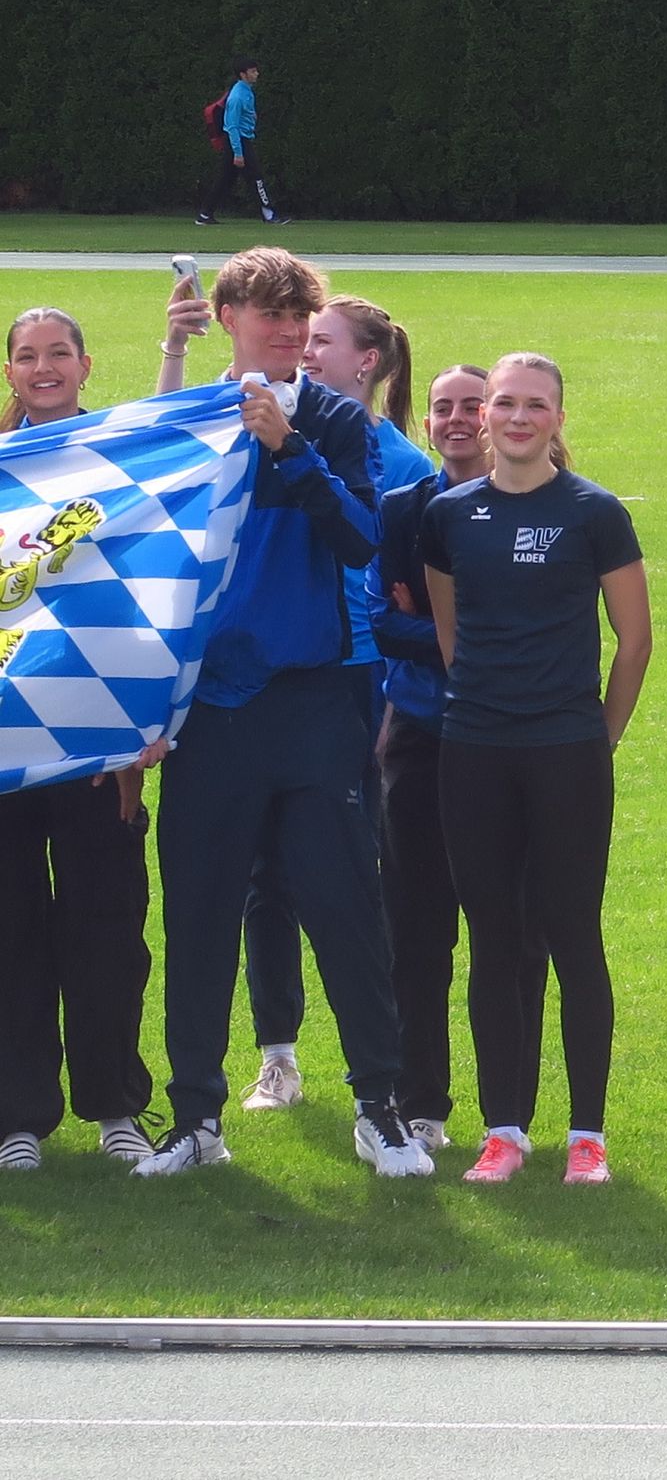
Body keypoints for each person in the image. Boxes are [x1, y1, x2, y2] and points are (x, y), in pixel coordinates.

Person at [133, 247, 419, 1179]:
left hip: (314, 700)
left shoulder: (334, 420)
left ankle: (379, 1109)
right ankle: (196, 1120)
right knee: (201, 916)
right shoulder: (192, 418)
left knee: (345, 909)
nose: (291, 334)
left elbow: (362, 538)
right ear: (230, 321)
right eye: (271, 318)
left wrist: (290, 450)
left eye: (301, 319)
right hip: (211, 709)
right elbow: (144, 547)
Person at [422, 354, 651, 1187]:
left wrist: (599, 737)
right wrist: (489, 706)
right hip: (474, 750)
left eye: (536, 405)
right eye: (505, 403)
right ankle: (503, 1131)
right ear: (484, 414)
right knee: (492, 941)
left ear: (558, 417)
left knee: (573, 935)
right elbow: (451, 632)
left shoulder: (595, 513)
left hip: (567, 752)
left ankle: (587, 1135)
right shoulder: (448, 515)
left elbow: (635, 641)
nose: (518, 417)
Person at [235, 293, 434, 1113]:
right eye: (301, 338)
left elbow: (406, 591)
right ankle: (277, 1055)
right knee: (264, 874)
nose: (306, 351)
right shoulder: (263, 421)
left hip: (358, 678)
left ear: (368, 362)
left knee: (351, 877)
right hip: (279, 670)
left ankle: (383, 1082)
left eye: (322, 340)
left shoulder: (402, 463)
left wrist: (390, 702)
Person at [370, 363, 551, 1151]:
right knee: (417, 930)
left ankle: (511, 1111)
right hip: (419, 735)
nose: (452, 419)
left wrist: (447, 624)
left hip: (514, 741)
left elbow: (541, 621)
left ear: (494, 419)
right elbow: (382, 621)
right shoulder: (403, 510)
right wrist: (475, 634)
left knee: (515, 931)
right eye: (440, 408)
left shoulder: (544, 506)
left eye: (469, 406)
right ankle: (421, 1103)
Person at [0, 308, 158, 1171]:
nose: (43, 367)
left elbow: (158, 594)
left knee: (107, 931)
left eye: (57, 352)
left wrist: (144, 728)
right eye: (27, 356)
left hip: (100, 739)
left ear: (86, 364)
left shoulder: (126, 461)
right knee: (11, 931)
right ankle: (17, 1119)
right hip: (6, 741)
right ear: (11, 373)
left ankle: (115, 1107)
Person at [196, 58, 287, 227]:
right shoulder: (237, 96)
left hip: (241, 140)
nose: (257, 74)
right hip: (239, 142)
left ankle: (205, 214)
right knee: (257, 177)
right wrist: (238, 153)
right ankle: (269, 214)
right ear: (243, 75)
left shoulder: (246, 91)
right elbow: (232, 126)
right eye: (253, 71)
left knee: (225, 180)